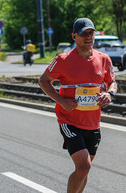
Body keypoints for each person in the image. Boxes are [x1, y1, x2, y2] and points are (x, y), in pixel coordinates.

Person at [38, 17, 117, 193]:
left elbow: (112, 82)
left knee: (84, 170)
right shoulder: (63, 60)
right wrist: (62, 100)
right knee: (84, 167)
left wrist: (109, 94)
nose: (88, 37)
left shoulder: (103, 59)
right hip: (69, 121)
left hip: (92, 123)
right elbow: (43, 81)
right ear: (74, 36)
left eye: (91, 33)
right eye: (83, 34)